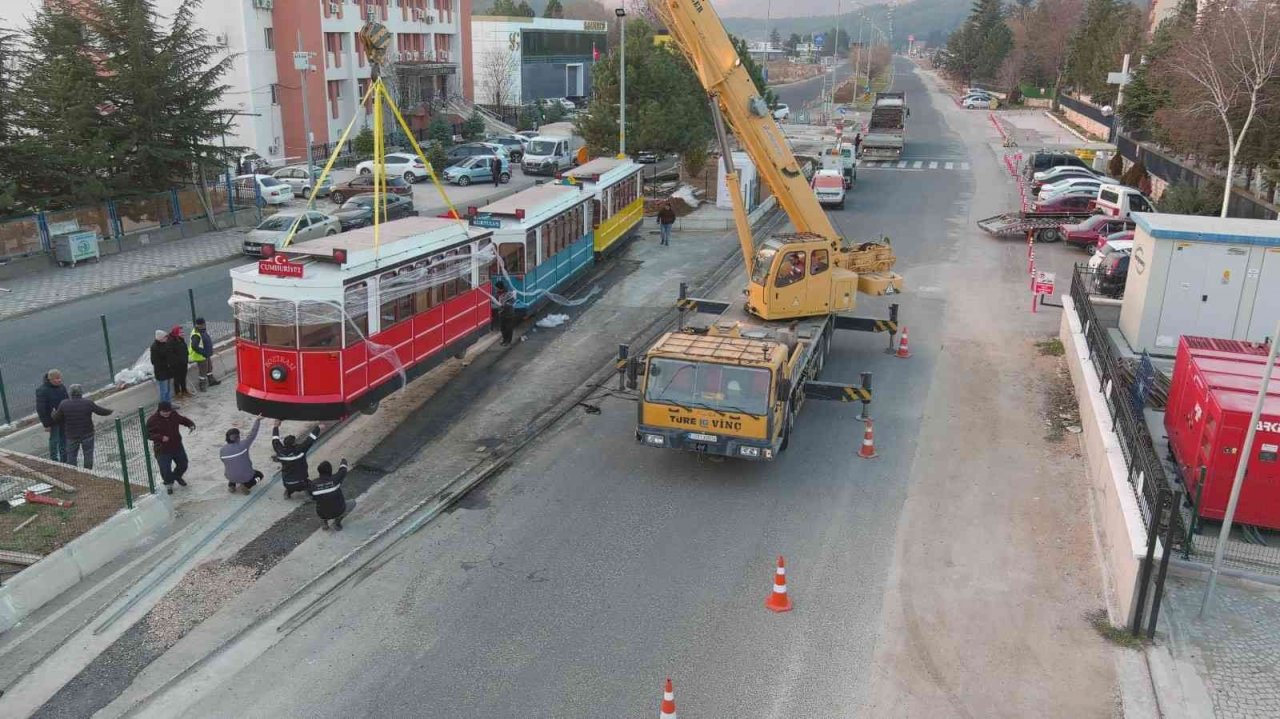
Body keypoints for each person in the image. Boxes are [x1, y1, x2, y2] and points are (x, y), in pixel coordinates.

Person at [52, 384, 113, 470]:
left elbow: (56, 418)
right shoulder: (88, 403)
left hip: (71, 435)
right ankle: (88, 471)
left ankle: (73, 472)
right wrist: (111, 411)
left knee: (71, 456)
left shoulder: (64, 404)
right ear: (81, 393)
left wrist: (53, 412)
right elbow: (101, 411)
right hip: (87, 433)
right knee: (88, 454)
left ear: (70, 393)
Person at [147, 401, 195, 494]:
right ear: (159, 411)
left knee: (183, 464)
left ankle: (177, 476)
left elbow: (182, 419)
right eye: (164, 412)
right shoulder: (152, 420)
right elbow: (148, 434)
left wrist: (190, 424)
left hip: (177, 445)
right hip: (162, 449)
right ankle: (169, 484)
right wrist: (161, 437)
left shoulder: (173, 414)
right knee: (165, 469)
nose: (167, 413)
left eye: (168, 411)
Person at [272, 420, 321, 499]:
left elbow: (275, 440)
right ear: (294, 443)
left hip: (287, 482)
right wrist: (318, 427)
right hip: (301, 482)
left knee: (291, 484)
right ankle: (308, 495)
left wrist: (275, 426)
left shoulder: (280, 451)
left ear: (284, 444)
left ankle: (288, 492)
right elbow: (310, 440)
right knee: (310, 485)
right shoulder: (300, 450)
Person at [220, 416, 263, 495]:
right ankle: (247, 485)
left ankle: (231, 485)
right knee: (260, 476)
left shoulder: (222, 450)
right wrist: (258, 420)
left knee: (233, 469)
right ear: (238, 438)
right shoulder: (244, 445)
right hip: (246, 476)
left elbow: (224, 461)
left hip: (230, 476)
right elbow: (253, 433)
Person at [35, 370, 70, 462]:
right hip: (52, 421)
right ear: (50, 379)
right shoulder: (42, 391)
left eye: (60, 378)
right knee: (54, 440)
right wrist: (46, 424)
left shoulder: (62, 387)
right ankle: (54, 459)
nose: (59, 380)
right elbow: (41, 409)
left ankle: (64, 459)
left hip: (62, 418)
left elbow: (67, 401)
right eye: (56, 378)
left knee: (64, 439)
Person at [309, 459, 349, 530]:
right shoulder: (335, 479)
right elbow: (343, 470)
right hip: (338, 510)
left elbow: (313, 498)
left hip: (322, 512)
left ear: (319, 472)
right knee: (352, 503)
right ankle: (337, 523)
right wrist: (343, 461)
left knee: (321, 505)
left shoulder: (313, 484)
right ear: (330, 471)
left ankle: (324, 522)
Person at [190, 318, 221, 390]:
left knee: (209, 368)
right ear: (200, 325)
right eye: (204, 324)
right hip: (201, 356)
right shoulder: (196, 334)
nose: (205, 325)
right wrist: (203, 352)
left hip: (206, 354)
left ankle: (211, 381)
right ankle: (202, 385)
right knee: (203, 371)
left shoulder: (202, 330)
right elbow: (194, 346)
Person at [150, 330, 175, 405]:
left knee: (168, 390)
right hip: (161, 373)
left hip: (168, 371)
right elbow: (154, 361)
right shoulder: (154, 347)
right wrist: (166, 363)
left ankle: (169, 404)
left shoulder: (165, 344)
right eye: (165, 337)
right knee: (163, 391)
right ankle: (163, 407)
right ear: (160, 338)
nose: (166, 338)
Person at [167, 326, 191, 398]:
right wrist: (177, 361)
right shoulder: (171, 341)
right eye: (181, 332)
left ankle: (184, 390)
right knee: (177, 378)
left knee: (183, 377)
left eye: (182, 332)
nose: (183, 333)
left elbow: (184, 350)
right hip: (176, 364)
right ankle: (178, 393)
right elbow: (170, 354)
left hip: (183, 362)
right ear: (176, 333)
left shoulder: (181, 340)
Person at [494, 280, 516, 346]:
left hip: (509, 313)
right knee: (502, 328)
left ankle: (508, 341)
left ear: (500, 287)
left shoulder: (508, 293)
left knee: (508, 328)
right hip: (501, 313)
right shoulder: (498, 293)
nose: (496, 289)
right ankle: (504, 339)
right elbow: (496, 300)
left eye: (497, 287)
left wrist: (505, 304)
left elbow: (512, 301)